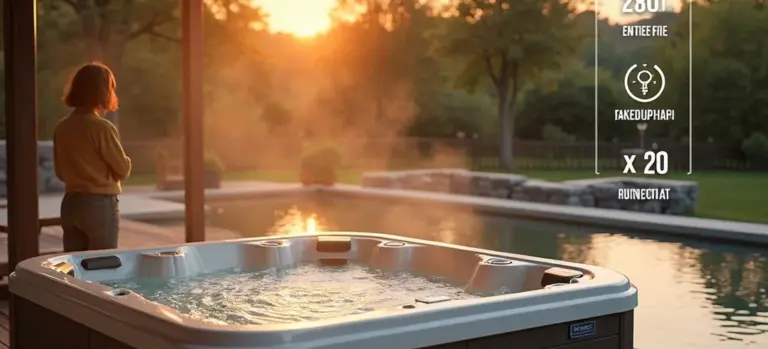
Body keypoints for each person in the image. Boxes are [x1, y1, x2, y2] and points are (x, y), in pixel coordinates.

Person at [53, 62, 132, 252]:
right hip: (99, 205)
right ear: (104, 91)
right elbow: (122, 169)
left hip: (71, 204)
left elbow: (60, 172)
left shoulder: (62, 128)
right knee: (103, 263)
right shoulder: (102, 128)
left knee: (74, 264)